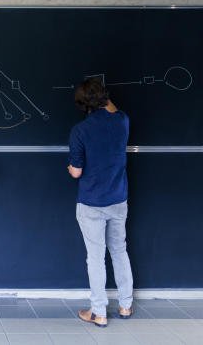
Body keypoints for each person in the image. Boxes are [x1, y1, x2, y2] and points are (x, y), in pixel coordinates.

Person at [67, 78, 133, 328]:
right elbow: (113, 109)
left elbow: (76, 172)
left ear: (83, 105)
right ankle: (125, 305)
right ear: (105, 98)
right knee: (119, 250)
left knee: (95, 257)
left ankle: (99, 312)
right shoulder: (122, 121)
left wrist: (69, 167)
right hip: (118, 198)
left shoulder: (80, 130)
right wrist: (104, 96)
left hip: (92, 202)